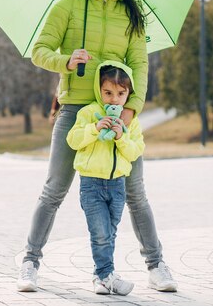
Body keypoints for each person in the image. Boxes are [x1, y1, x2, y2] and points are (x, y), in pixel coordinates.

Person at [16, 0, 177, 293]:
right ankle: (29, 261)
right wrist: (66, 61)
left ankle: (156, 263)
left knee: (135, 191)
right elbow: (39, 51)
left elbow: (140, 66)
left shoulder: (133, 16)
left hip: (117, 112)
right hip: (75, 109)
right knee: (54, 189)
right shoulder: (69, 6)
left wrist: (130, 112)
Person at [67, 62, 144, 295]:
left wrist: (121, 137)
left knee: (109, 233)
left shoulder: (130, 121)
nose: (114, 99)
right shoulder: (89, 113)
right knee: (100, 233)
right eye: (108, 93)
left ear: (128, 93)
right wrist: (93, 128)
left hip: (118, 185)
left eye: (121, 94)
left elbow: (134, 152)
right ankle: (106, 276)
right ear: (99, 90)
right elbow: (73, 140)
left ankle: (99, 275)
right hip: (91, 184)